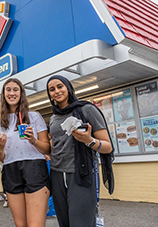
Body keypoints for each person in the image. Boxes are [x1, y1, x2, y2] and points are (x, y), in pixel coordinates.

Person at [46, 75, 114, 227]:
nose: (56, 91)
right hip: (57, 174)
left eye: (60, 86)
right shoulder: (53, 118)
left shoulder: (87, 109)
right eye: (52, 89)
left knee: (81, 223)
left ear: (68, 88)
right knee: (64, 222)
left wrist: (88, 141)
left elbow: (108, 147)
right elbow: (57, 146)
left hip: (80, 174)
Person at [0, 78, 51, 227]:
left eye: (15, 89)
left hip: (34, 168)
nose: (11, 93)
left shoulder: (34, 116)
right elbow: (1, 157)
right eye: (8, 90)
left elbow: (47, 149)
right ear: (3, 94)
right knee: (21, 225)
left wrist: (33, 140)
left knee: (35, 225)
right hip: (11, 170)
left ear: (21, 94)